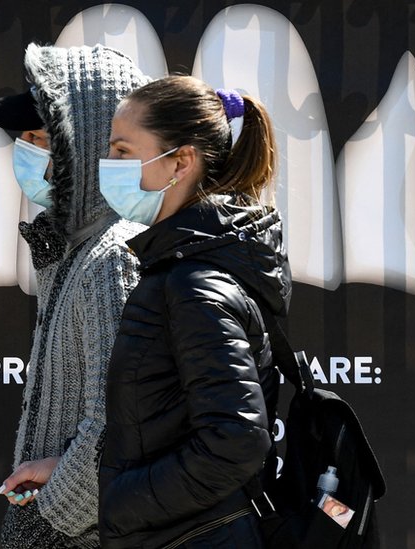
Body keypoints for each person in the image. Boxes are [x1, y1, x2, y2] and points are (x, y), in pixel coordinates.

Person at [96, 75, 292, 548]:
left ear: (180, 161)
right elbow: (163, 421)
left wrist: (122, 505)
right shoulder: (182, 266)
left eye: (123, 151)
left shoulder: (194, 283)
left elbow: (236, 441)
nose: (109, 165)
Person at [0, 43, 149, 548]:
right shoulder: (73, 248)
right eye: (23, 138)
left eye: (39, 137)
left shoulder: (111, 258)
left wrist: (48, 520)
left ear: (87, 144)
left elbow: (116, 422)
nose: (26, 150)